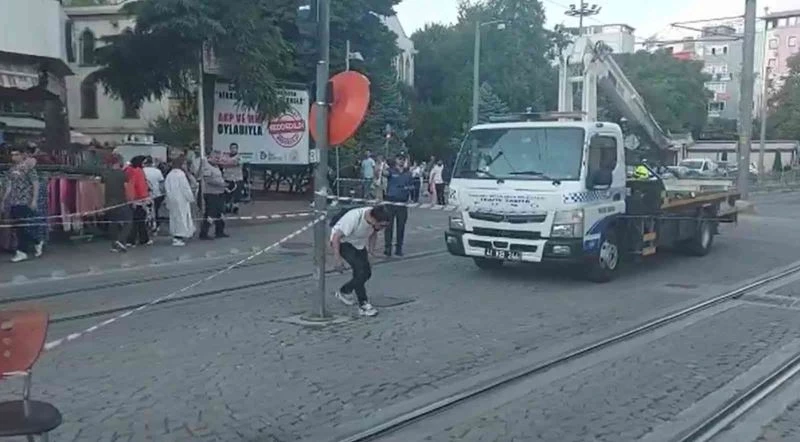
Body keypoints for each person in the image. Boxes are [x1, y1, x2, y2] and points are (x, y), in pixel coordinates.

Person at [330, 204, 391, 317]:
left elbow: (373, 234)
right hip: (344, 242)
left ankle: (345, 290)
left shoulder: (374, 224)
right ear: (373, 219)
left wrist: (371, 252)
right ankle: (363, 304)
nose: (382, 228)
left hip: (358, 243)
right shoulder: (353, 218)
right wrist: (337, 259)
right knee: (360, 271)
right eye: (381, 225)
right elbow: (336, 237)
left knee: (367, 273)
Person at [1, 147, 43, 262]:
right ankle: (37, 241)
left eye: (16, 154)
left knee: (21, 226)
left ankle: (22, 251)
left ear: (22, 155)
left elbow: (35, 184)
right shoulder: (11, 170)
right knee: (18, 227)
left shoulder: (29, 168)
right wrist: (4, 201)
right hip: (13, 201)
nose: (14, 157)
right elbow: (8, 186)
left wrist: (34, 200)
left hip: (24, 201)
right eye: (12, 154)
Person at [384, 154, 413, 257]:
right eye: (399, 159)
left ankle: (399, 248)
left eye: (403, 159)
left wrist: (407, 189)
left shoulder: (408, 173)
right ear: (395, 160)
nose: (401, 161)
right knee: (388, 226)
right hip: (391, 201)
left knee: (401, 226)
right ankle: (387, 248)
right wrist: (381, 166)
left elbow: (412, 186)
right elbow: (383, 174)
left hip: (402, 202)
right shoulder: (391, 171)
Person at [164, 156, 196, 246]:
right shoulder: (181, 175)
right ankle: (179, 237)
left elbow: (166, 188)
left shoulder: (169, 175)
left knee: (175, 218)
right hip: (181, 200)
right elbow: (185, 188)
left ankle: (177, 235)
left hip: (172, 200)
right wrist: (191, 198)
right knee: (182, 218)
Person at [104, 154, 132, 252]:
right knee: (128, 221)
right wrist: (130, 200)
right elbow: (126, 188)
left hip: (109, 203)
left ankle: (114, 245)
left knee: (113, 223)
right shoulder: (122, 174)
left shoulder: (106, 174)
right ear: (118, 162)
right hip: (121, 202)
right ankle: (121, 240)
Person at [124, 155, 152, 247]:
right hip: (139, 200)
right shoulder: (139, 172)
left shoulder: (129, 171)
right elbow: (141, 186)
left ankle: (134, 240)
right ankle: (139, 239)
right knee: (140, 221)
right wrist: (145, 198)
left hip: (133, 199)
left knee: (136, 221)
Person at [199, 156, 228, 239]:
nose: (217, 159)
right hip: (211, 194)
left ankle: (219, 231)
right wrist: (221, 184)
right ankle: (204, 233)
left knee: (220, 213)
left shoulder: (216, 167)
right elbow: (208, 180)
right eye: (215, 158)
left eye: (217, 158)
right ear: (209, 158)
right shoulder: (207, 168)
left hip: (220, 193)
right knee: (210, 214)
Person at [219, 143, 244, 214]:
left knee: (237, 195)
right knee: (227, 194)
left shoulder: (240, 157)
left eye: (235, 148)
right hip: (227, 178)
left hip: (237, 179)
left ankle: (235, 208)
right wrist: (228, 163)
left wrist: (226, 163)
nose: (233, 149)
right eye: (232, 148)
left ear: (237, 149)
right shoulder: (225, 156)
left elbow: (236, 163)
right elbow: (220, 163)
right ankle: (227, 207)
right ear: (230, 149)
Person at [143, 156, 165, 231]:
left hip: (144, 195)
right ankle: (156, 226)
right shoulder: (157, 171)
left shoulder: (142, 171)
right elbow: (161, 183)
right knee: (155, 211)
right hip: (156, 194)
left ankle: (147, 225)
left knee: (145, 212)